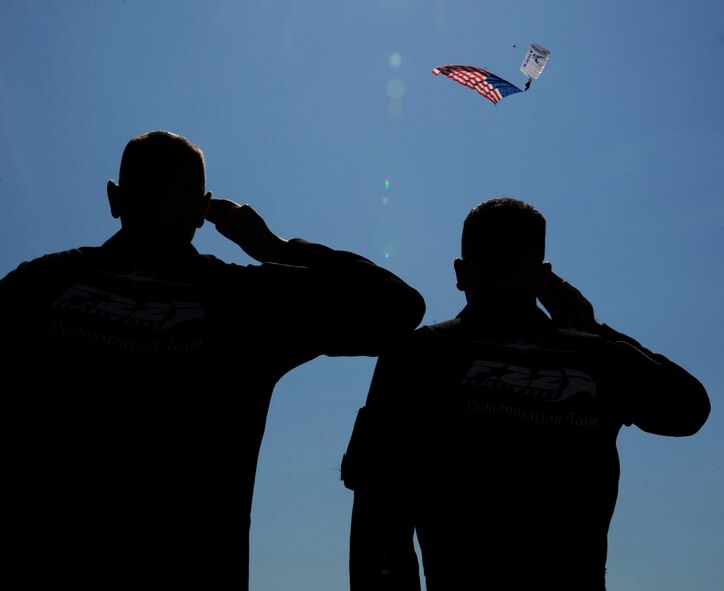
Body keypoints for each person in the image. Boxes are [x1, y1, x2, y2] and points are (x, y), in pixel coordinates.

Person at [1, 130, 425, 589]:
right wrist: (274, 247)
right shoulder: (244, 298)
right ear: (204, 211)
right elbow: (396, 306)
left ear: (114, 198)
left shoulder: (42, 283)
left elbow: (399, 310)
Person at [340, 197, 710, 591]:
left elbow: (378, 517)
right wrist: (597, 329)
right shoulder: (596, 357)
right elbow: (687, 409)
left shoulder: (421, 354)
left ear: (460, 273)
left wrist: (594, 332)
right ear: (543, 276)